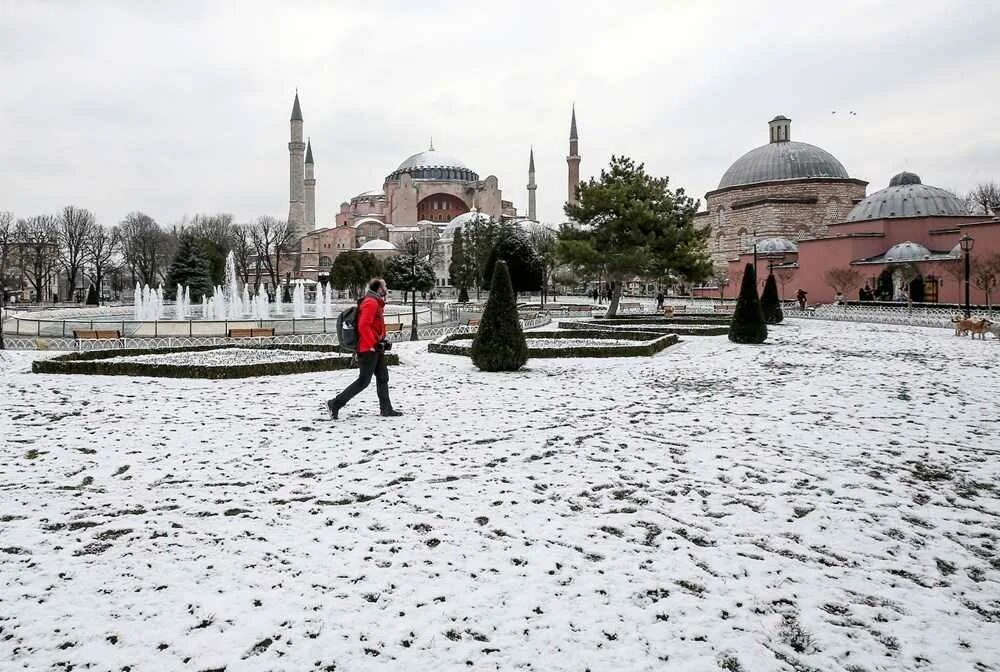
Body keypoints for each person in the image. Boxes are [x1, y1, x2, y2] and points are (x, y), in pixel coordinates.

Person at [327, 278, 401, 419]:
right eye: (385, 286)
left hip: (375, 347)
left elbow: (373, 326)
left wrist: (381, 338)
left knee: (383, 377)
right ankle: (335, 403)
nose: (386, 288)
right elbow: (363, 326)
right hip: (368, 348)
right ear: (379, 288)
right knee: (363, 381)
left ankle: (386, 409)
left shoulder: (375, 302)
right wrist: (373, 344)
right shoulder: (370, 303)